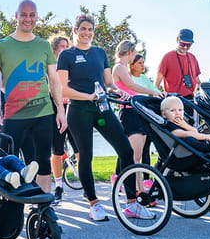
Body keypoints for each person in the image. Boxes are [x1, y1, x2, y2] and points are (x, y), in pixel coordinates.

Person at [57, 14, 155, 221]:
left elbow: (108, 82)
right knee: (86, 156)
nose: (86, 33)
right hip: (79, 111)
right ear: (75, 31)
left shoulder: (100, 53)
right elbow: (63, 89)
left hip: (102, 108)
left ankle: (131, 204)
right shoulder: (66, 56)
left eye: (90, 29)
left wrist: (117, 91)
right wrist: (87, 96)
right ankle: (94, 204)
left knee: (126, 150)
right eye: (82, 29)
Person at [0, 0, 67, 195]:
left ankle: (43, 209)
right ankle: (11, 210)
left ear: (36, 17)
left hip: (43, 112)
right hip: (14, 114)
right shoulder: (1, 46)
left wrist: (61, 110)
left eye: (32, 15)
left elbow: (54, 81)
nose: (28, 18)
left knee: (43, 163)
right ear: (16, 16)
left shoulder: (44, 46)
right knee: (7, 162)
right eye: (24, 14)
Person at [112, 41, 166, 191]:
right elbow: (131, 86)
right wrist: (153, 93)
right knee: (135, 158)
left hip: (136, 112)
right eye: (134, 53)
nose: (135, 56)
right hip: (129, 113)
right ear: (129, 52)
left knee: (137, 156)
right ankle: (138, 192)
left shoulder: (123, 68)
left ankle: (139, 190)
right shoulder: (119, 67)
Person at [48, 34, 76, 204]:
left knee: (80, 148)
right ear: (54, 48)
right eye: (62, 46)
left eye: (67, 46)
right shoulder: (50, 66)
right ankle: (58, 185)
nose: (65, 49)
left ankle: (87, 188)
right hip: (55, 111)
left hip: (73, 109)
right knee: (56, 150)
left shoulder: (72, 66)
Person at [154, 28, 201, 100]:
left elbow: (197, 80)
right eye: (182, 44)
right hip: (173, 99)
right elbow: (156, 84)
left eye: (188, 45)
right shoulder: (167, 57)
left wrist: (199, 87)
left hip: (190, 99)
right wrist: (159, 97)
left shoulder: (192, 57)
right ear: (177, 40)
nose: (185, 47)